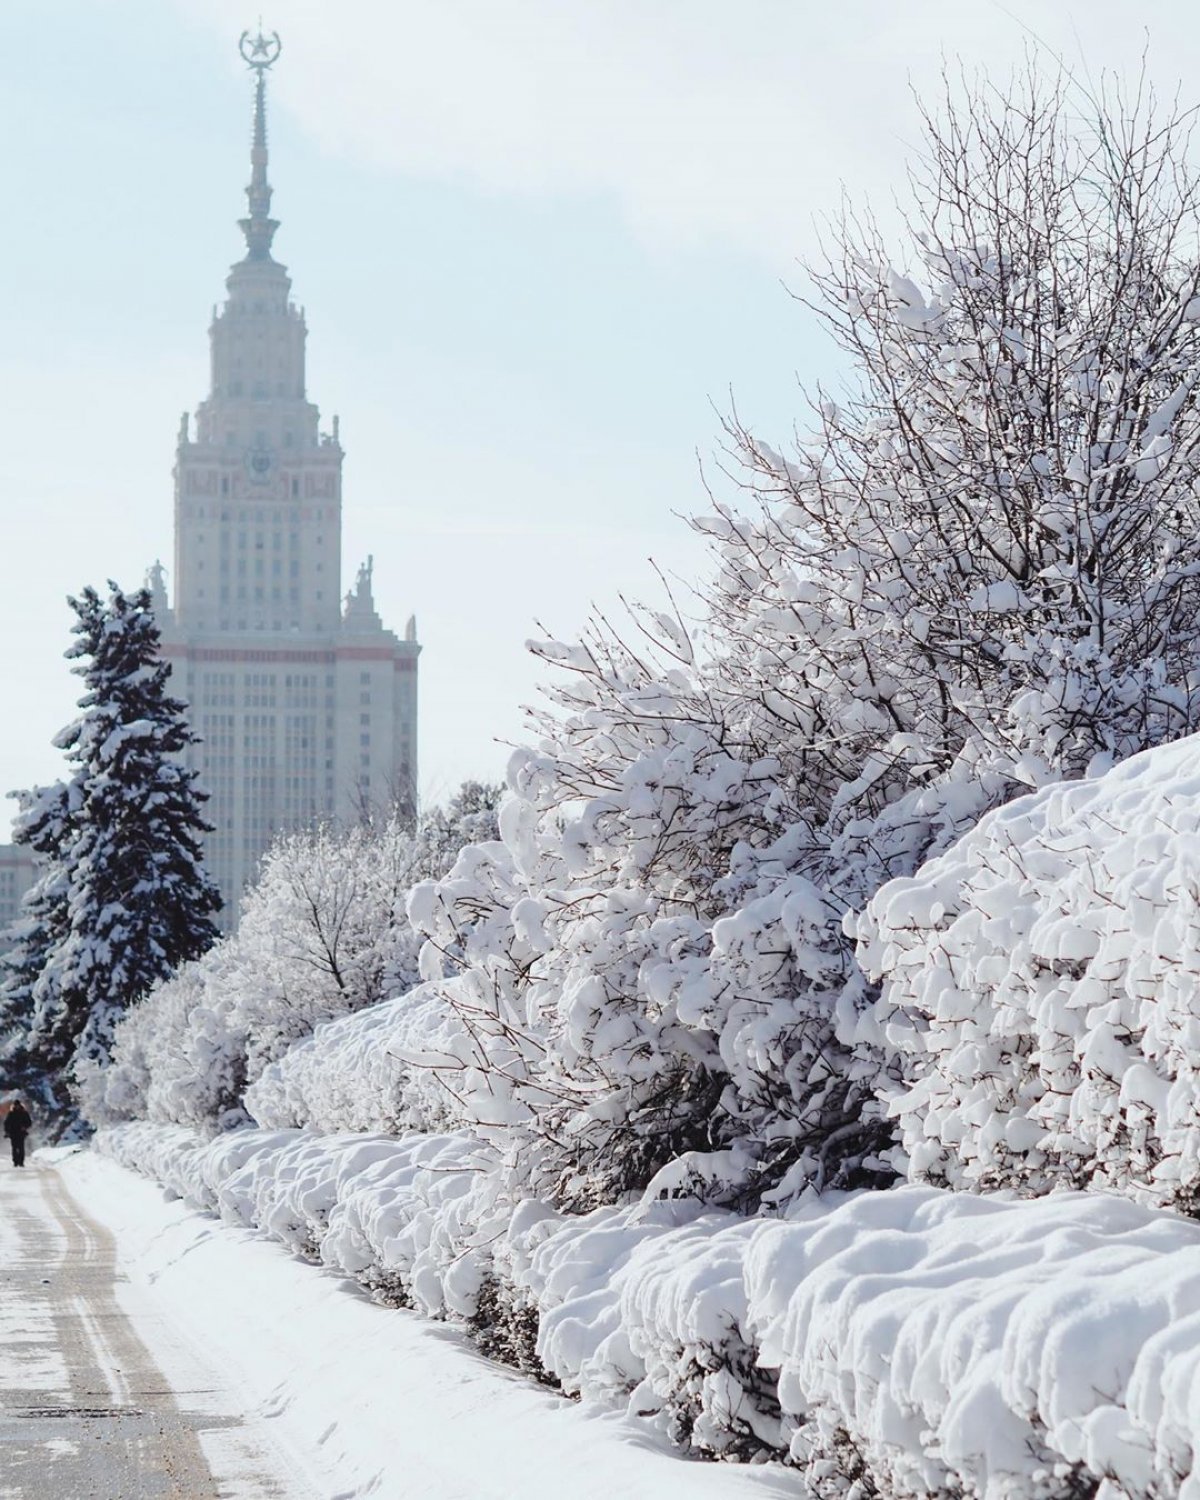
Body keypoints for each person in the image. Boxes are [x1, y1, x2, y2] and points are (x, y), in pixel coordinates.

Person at [4, 1099, 32, 1168]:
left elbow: (29, 1122)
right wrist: (7, 1131)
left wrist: (25, 1127)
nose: (17, 1106)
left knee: (21, 1147)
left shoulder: (24, 1113)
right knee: (14, 1147)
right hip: (13, 1133)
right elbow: (6, 1123)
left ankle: (21, 1162)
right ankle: (15, 1161)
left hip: (21, 1133)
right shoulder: (11, 1113)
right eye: (16, 1105)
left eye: (18, 1105)